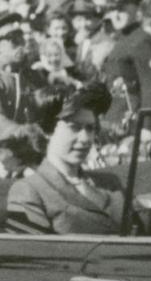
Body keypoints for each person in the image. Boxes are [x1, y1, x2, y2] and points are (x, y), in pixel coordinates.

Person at [6, 81, 124, 235]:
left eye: (90, 128)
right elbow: (30, 255)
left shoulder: (110, 183)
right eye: (74, 127)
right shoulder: (29, 190)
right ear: (47, 131)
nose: (85, 138)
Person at [99, 0, 151, 140]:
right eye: (112, 10)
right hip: (115, 121)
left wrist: (147, 126)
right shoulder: (122, 41)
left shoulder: (143, 40)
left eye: (121, 9)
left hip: (134, 124)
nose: (115, 15)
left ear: (136, 10)